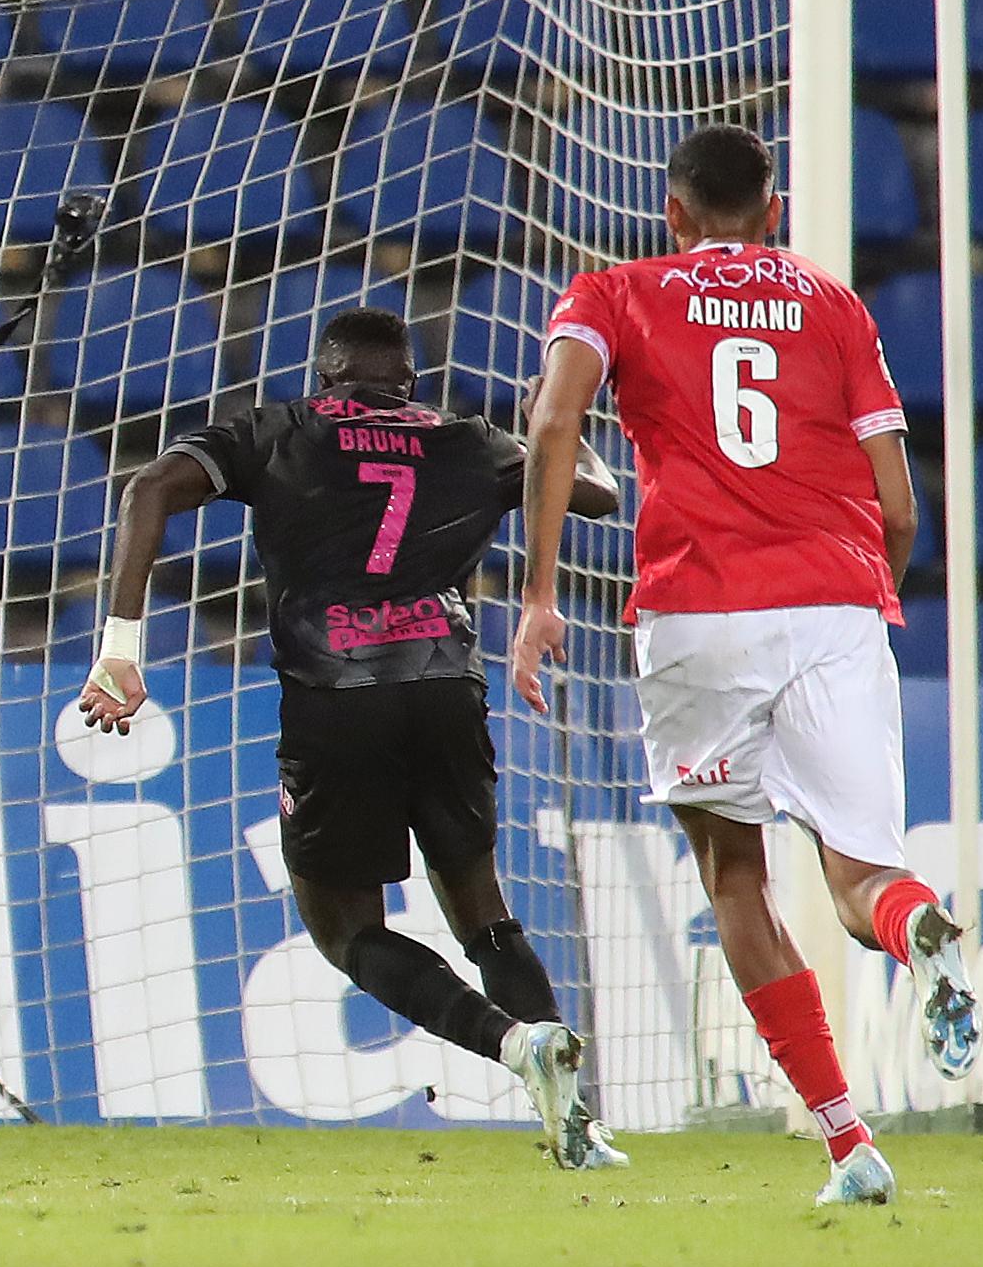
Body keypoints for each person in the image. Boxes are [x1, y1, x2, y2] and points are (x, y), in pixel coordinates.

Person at [511, 123, 981, 1208]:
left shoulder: (612, 292)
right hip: (834, 602)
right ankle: (924, 934)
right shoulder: (835, 305)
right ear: (775, 213)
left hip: (697, 611)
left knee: (735, 876)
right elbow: (899, 503)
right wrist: (869, 596)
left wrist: (538, 598)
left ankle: (849, 1141)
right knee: (863, 876)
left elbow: (551, 423)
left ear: (673, 213)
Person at [83, 307, 625, 1166]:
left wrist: (119, 652)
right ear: (408, 383)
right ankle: (580, 1121)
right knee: (484, 914)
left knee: (346, 933)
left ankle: (515, 1046)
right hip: (445, 688)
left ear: (326, 377)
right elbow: (593, 491)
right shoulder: (470, 440)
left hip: (335, 696)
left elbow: (147, 489)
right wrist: (561, 428)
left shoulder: (280, 430)